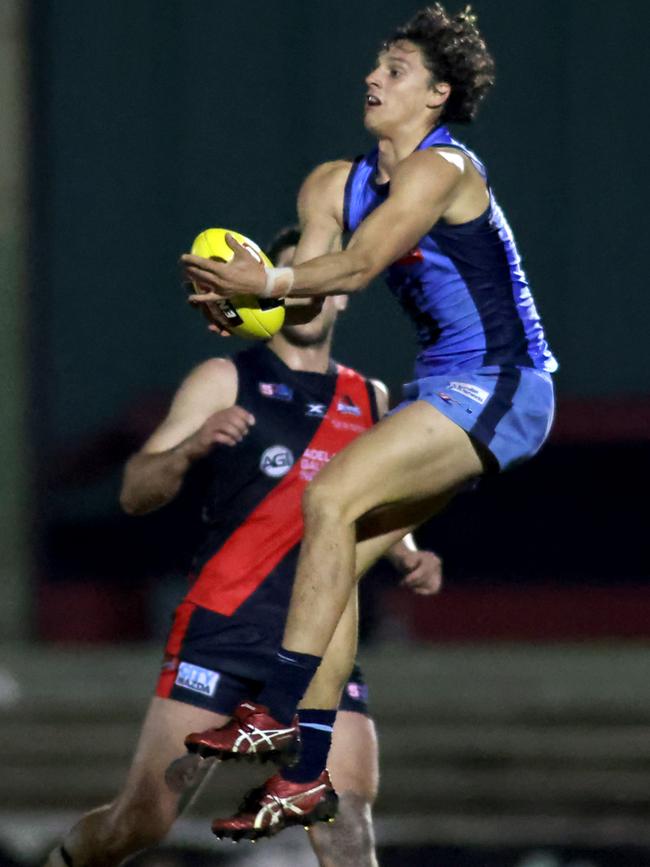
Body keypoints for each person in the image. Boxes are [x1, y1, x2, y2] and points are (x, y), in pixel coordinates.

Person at [181, 2, 558, 837]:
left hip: (504, 385)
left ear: (437, 95)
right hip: (440, 389)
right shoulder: (330, 182)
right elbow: (315, 283)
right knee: (338, 554)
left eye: (395, 69)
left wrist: (264, 289)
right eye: (376, 64)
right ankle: (308, 774)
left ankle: (277, 708)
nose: (372, 78)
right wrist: (247, 310)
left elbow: (359, 259)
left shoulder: (444, 169)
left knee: (328, 500)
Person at [45, 227, 442, 867]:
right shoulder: (226, 378)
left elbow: (373, 502)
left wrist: (407, 551)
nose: (307, 296)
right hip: (224, 626)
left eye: (321, 280)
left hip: (319, 636)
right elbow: (135, 490)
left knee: (341, 809)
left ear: (341, 293)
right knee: (144, 819)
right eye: (291, 279)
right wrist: (190, 447)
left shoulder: (369, 399)